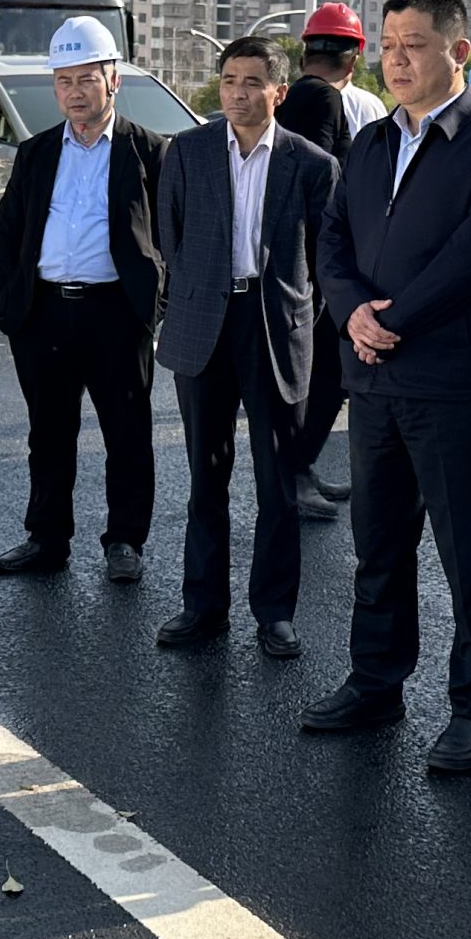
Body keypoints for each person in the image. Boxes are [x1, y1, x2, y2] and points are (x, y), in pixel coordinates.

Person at [301, 0, 471, 774]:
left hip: (452, 382)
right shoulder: (370, 143)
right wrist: (351, 313)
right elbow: (333, 240)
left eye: (416, 45)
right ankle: (376, 683)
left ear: (458, 52)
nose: (398, 60)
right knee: (379, 547)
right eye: (390, 45)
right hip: (372, 381)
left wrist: (392, 318)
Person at [154, 36, 337, 655]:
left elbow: (322, 262)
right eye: (229, 80)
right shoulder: (189, 151)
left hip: (274, 328)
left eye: (252, 82)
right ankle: (202, 607)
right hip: (203, 321)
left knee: (277, 482)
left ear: (278, 92)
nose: (237, 93)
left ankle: (275, 613)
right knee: (206, 475)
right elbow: (171, 237)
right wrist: (198, 292)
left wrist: (293, 312)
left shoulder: (312, 164)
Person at [0, 15, 169, 584]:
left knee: (127, 432)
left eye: (86, 79)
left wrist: (155, 305)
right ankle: (47, 538)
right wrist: (13, 303)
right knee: (48, 433)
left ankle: (125, 541)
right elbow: (9, 230)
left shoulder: (149, 151)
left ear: (113, 79)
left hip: (117, 312)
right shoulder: (37, 153)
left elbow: (173, 235)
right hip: (44, 313)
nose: (74, 92)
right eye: (64, 81)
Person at [275, 1, 389, 522]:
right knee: (327, 374)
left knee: (318, 374)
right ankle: (293, 474)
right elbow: (318, 180)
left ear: (306, 51)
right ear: (355, 57)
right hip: (319, 261)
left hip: (303, 258)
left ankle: (300, 469)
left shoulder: (298, 96)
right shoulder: (324, 99)